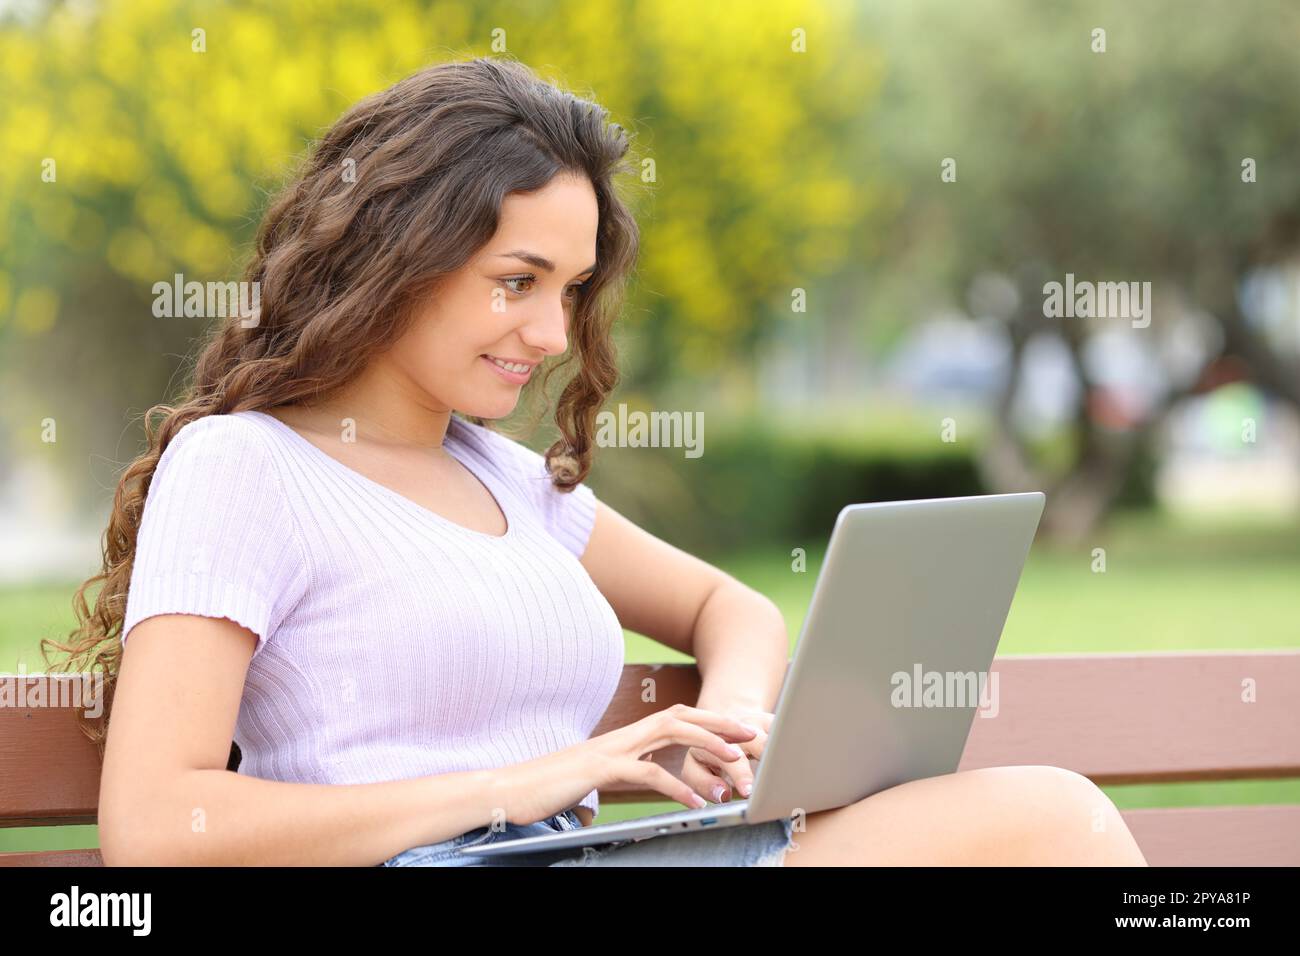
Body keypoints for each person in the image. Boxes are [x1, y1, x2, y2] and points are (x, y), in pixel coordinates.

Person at [55, 56, 1146, 867]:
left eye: (571, 291)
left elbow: (734, 606)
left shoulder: (505, 478)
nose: (552, 335)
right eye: (517, 279)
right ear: (395, 254)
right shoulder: (244, 467)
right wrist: (518, 781)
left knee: (1054, 822)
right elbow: (158, 826)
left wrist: (730, 729)